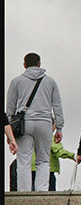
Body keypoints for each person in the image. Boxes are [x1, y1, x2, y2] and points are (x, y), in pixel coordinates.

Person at [8, 52, 65, 192]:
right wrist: (59, 127)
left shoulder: (16, 82)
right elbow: (57, 105)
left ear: (24, 65)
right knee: (43, 160)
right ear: (39, 64)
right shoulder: (50, 81)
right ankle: (41, 191)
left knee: (24, 161)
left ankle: (24, 192)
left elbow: (10, 107)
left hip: (24, 123)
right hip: (45, 122)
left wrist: (9, 133)